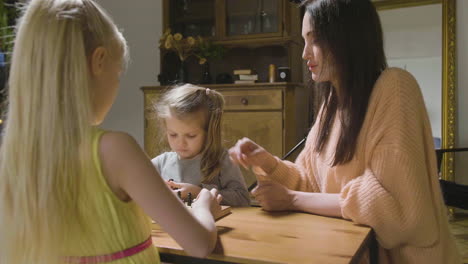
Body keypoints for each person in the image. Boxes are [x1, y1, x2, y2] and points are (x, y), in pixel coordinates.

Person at [229, 0, 461, 263]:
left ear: (348, 38)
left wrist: (292, 200)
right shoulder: (332, 104)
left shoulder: (395, 87)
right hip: (346, 251)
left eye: (314, 40)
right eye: (304, 40)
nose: (305, 53)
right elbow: (311, 184)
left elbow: (391, 208)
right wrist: (267, 163)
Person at [0, 1, 222, 264]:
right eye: (118, 75)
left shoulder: (13, 154)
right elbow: (198, 244)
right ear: (99, 61)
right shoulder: (115, 149)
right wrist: (203, 206)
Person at [152, 84, 250, 207]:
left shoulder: (222, 160)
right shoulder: (161, 163)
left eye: (191, 135)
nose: (180, 143)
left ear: (209, 132)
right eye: (173, 135)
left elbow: (243, 199)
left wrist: (199, 192)